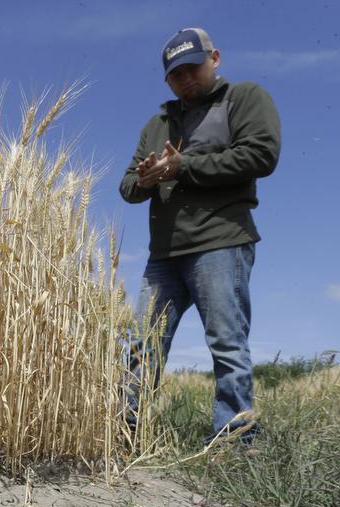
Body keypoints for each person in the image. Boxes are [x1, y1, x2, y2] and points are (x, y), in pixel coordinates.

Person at [119, 27, 281, 446]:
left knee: (227, 344)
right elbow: (126, 187)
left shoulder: (243, 98)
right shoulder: (157, 123)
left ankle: (234, 441)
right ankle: (123, 433)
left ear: (215, 59)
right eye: (177, 74)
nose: (186, 78)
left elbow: (261, 154)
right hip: (164, 255)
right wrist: (145, 179)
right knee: (141, 345)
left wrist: (182, 166)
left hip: (221, 242)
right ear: (167, 80)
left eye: (193, 68)